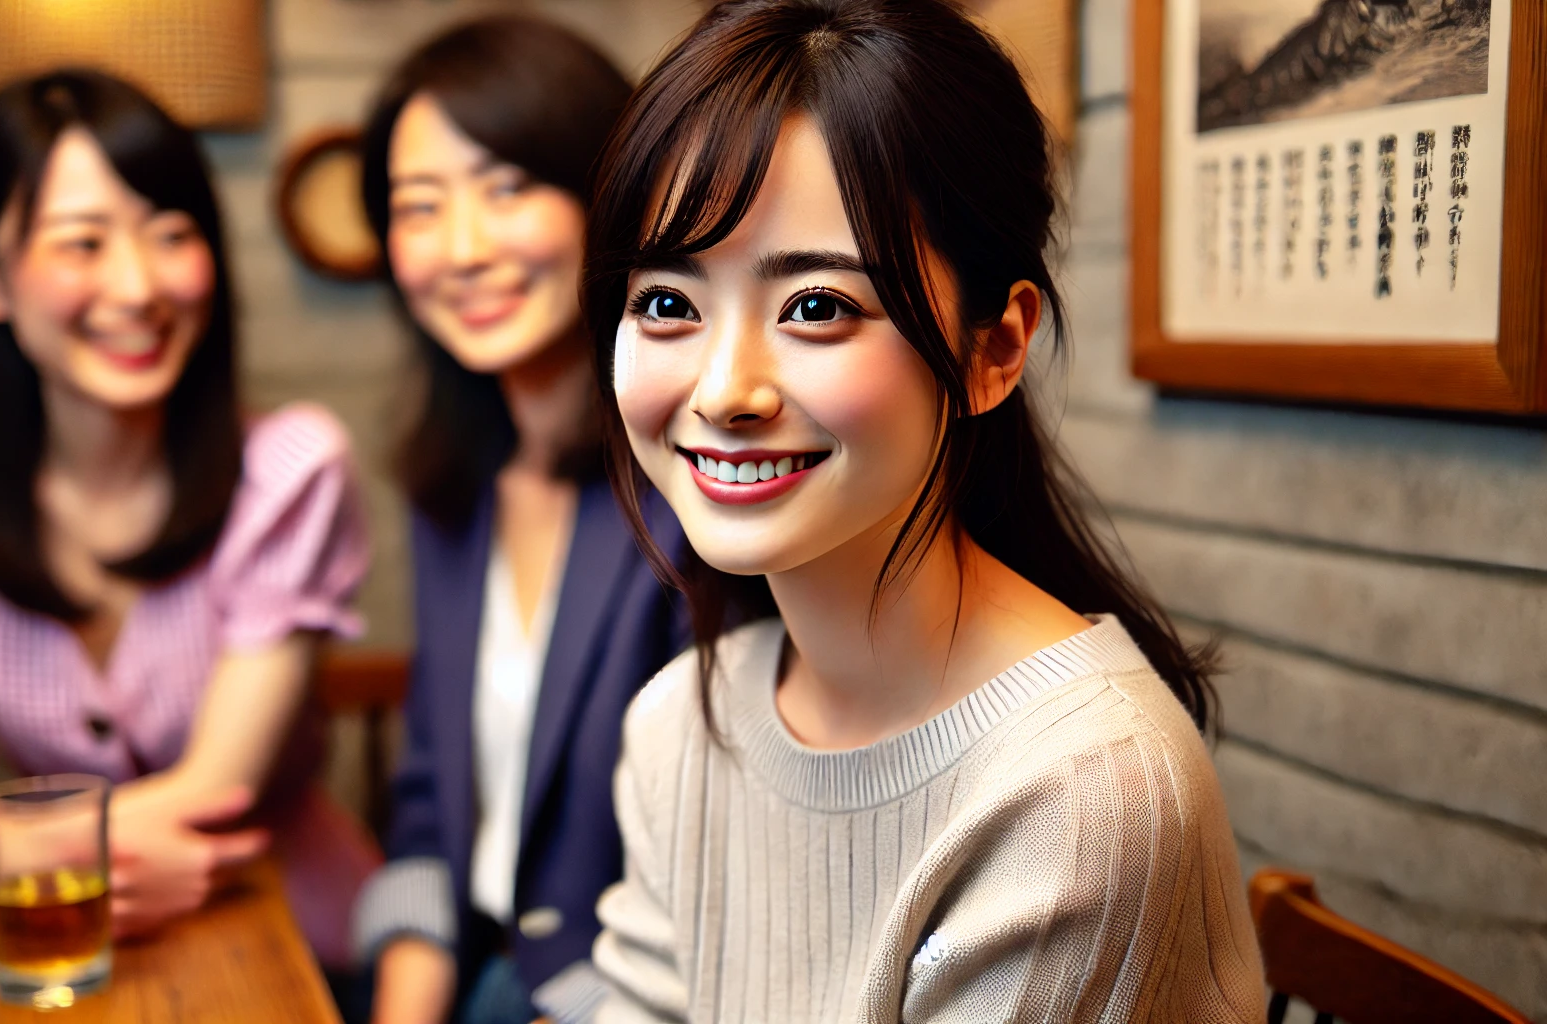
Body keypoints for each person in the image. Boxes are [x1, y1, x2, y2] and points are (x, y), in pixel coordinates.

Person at [585, 1, 1266, 1020]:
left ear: (993, 348)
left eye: (817, 306)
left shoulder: (1081, 794)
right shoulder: (684, 724)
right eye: (669, 303)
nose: (725, 389)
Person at [0, 70, 379, 966]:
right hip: (64, 937)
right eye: (82, 243)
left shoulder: (287, 474)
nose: (138, 286)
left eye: (171, 235)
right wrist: (30, 865)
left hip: (288, 934)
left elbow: (213, 791)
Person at [351, 17, 688, 1024]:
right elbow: (427, 806)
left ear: (609, 195)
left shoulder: (698, 486)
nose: (461, 249)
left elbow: (727, 869)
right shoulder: (453, 488)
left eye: (506, 189)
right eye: (419, 207)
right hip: (469, 977)